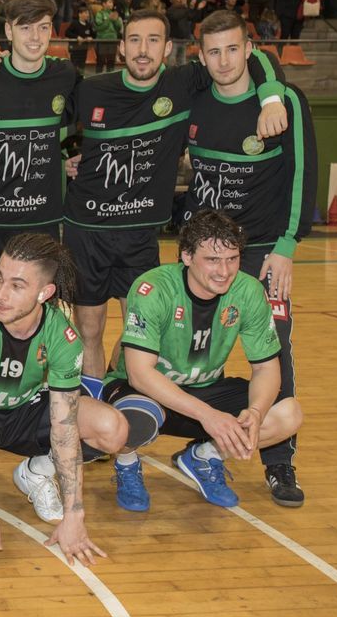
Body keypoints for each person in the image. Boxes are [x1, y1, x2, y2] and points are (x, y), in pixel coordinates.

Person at [60, 8, 287, 400]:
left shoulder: (185, 83)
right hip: (87, 233)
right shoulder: (92, 89)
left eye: (152, 41)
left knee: (145, 332)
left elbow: (259, 56)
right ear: (120, 47)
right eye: (134, 40)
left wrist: (271, 99)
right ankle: (95, 409)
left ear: (168, 48)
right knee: (90, 330)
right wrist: (63, 160)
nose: (143, 50)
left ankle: (117, 390)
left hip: (140, 237)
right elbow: (40, 123)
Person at [178, 10, 316, 506]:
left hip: (261, 252)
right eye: (213, 51)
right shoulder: (194, 99)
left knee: (275, 351)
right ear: (201, 55)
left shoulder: (283, 103)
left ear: (250, 48)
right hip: (198, 249)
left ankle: (279, 463)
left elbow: (303, 173)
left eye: (233, 49)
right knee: (179, 343)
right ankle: (172, 441)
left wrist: (287, 247)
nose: (223, 60)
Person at [0, 233, 124, 569]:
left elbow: (65, 427)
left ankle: (37, 472)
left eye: (17, 285)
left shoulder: (63, 338)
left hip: (23, 410)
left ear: (44, 293)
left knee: (111, 428)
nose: (0, 293)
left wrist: (74, 516)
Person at [103, 210, 304, 510]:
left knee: (288, 413)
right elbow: (139, 374)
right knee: (133, 421)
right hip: (147, 393)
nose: (224, 271)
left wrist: (256, 412)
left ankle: (204, 456)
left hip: (204, 391)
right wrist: (208, 416)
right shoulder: (153, 288)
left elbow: (266, 368)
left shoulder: (247, 291)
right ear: (186, 256)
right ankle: (127, 464)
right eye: (212, 260)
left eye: (232, 259)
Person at [0, 0, 77, 266]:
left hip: (41, 219)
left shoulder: (65, 75)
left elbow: (84, 116)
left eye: (43, 27)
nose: (35, 37)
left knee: (37, 304)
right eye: (25, 27)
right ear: (8, 31)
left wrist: (73, 152)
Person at [93, 0, 122, 72]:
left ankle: (110, 77)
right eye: (109, 2)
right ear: (104, 4)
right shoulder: (99, 14)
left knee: (111, 62)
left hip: (113, 41)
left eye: (112, 2)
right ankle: (98, 77)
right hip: (102, 41)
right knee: (101, 61)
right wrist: (109, 19)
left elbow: (118, 28)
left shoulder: (114, 14)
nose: (111, 4)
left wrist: (116, 21)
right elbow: (98, 27)